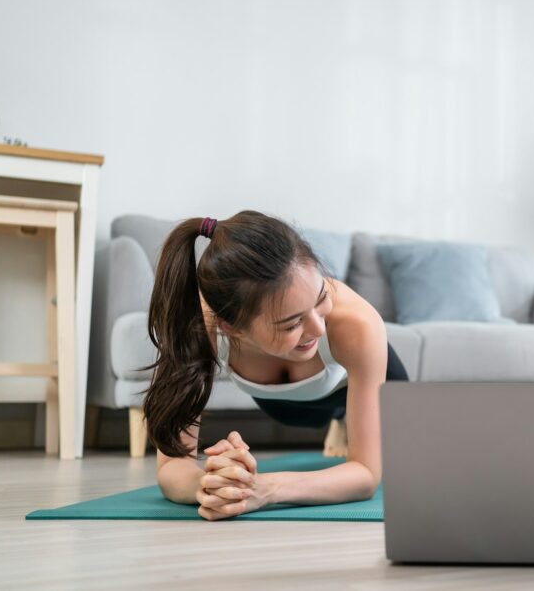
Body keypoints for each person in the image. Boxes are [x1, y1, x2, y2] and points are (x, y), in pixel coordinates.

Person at [143, 211, 408, 521]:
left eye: (321, 297)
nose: (318, 328)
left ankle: (348, 418)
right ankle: (340, 420)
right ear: (232, 328)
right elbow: (171, 466)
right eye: (292, 323)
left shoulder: (356, 324)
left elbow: (365, 476)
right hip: (282, 405)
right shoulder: (200, 325)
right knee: (299, 411)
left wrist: (266, 488)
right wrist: (214, 484)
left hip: (371, 386)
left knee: (404, 457)